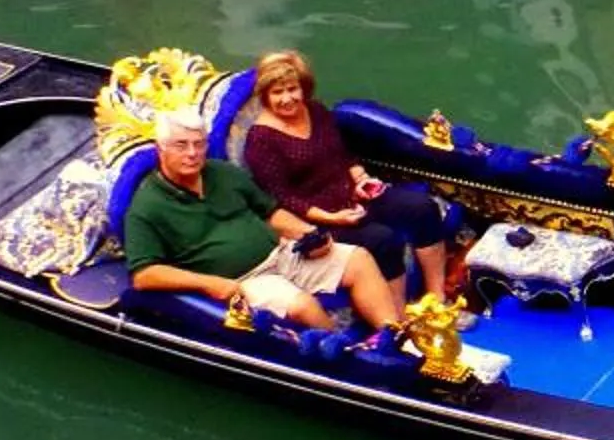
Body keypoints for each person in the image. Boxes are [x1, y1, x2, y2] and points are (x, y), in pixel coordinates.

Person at [126, 109, 405, 339]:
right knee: (303, 306)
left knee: (359, 259)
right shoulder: (147, 207)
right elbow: (144, 274)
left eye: (199, 144)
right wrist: (209, 284)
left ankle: (393, 338)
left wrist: (312, 234)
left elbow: (272, 213)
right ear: (160, 149)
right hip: (244, 280)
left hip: (283, 253)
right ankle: (347, 356)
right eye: (181, 145)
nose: (192, 153)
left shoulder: (223, 173)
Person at [240, 48, 456, 298]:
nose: (287, 98)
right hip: (316, 218)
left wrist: (361, 179)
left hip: (353, 196)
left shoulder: (316, 110)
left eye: (292, 89)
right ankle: (398, 323)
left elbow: (342, 155)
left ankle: (436, 298)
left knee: (422, 207)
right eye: (278, 92)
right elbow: (281, 198)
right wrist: (333, 219)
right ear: (265, 95)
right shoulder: (261, 139)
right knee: (383, 240)